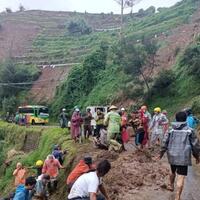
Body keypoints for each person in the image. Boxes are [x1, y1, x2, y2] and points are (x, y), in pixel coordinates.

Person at [158, 111, 200, 200]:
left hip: (172, 155)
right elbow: (195, 145)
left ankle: (171, 185)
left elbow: (165, 142)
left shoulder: (170, 130)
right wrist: (197, 156)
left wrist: (161, 154)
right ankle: (177, 197)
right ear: (185, 119)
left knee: (172, 171)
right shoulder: (190, 130)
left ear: (176, 119)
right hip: (183, 157)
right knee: (181, 176)